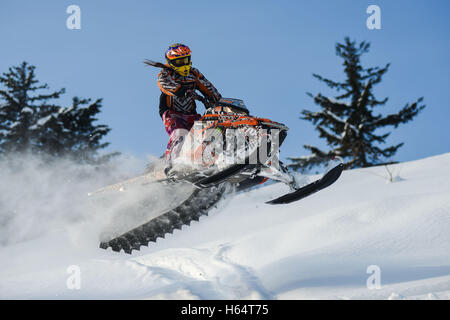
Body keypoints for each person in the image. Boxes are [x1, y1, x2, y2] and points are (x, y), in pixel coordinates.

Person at [157, 43, 222, 163]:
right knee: (180, 134)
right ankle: (172, 165)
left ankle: (211, 159)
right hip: (172, 113)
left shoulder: (193, 73)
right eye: (179, 62)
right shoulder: (166, 74)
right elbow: (165, 85)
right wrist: (180, 91)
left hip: (191, 114)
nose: (184, 64)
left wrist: (217, 99)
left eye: (186, 60)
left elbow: (207, 86)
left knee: (207, 131)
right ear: (171, 62)